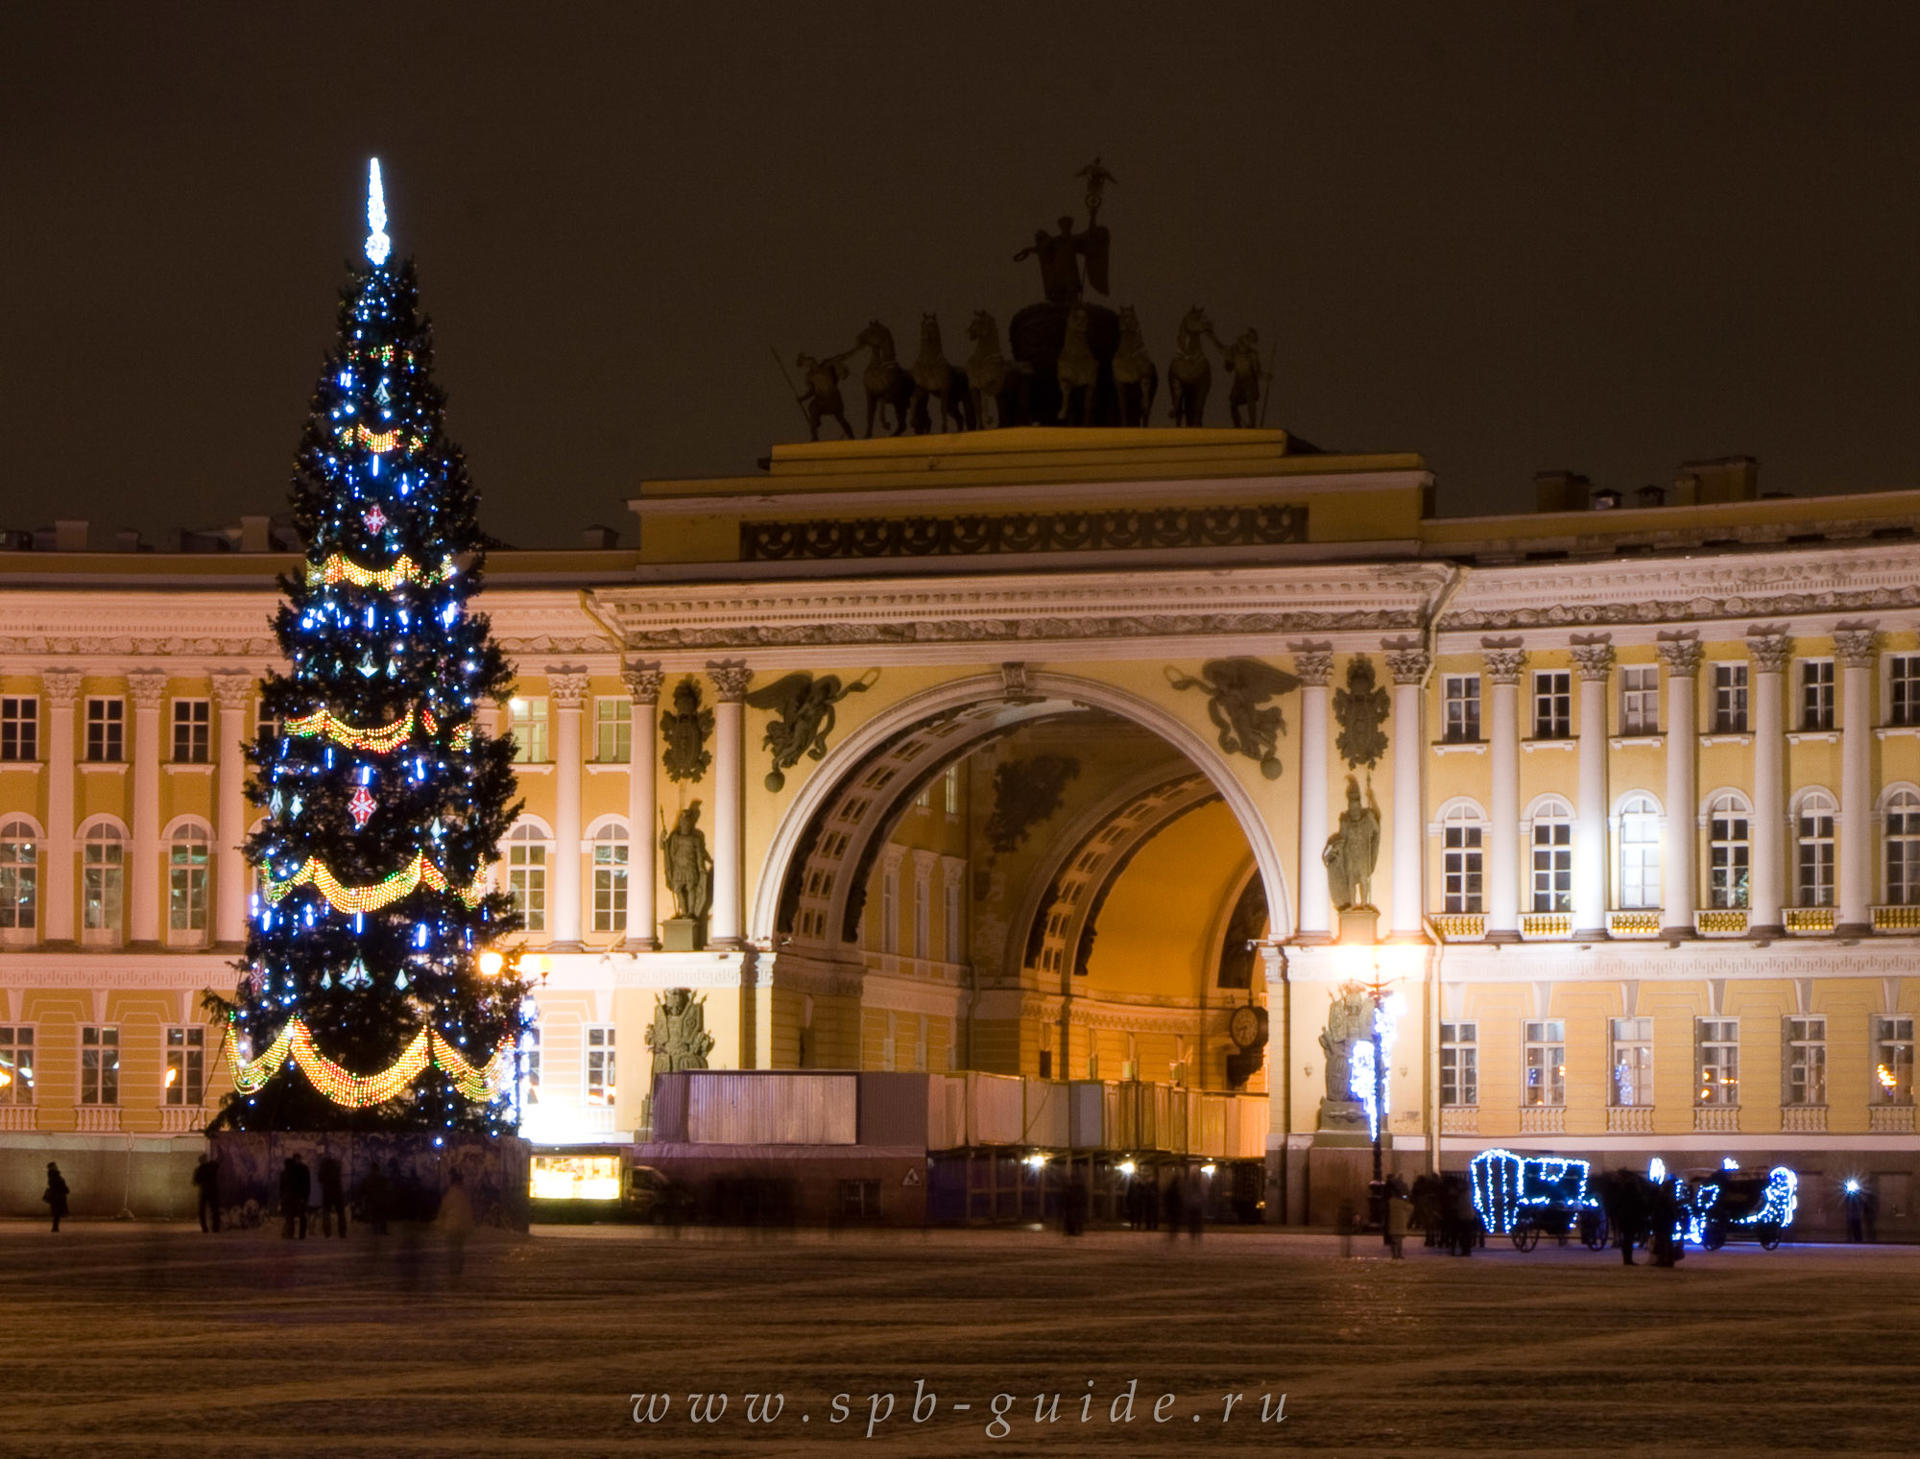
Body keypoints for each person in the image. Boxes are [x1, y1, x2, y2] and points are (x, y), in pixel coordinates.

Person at [439, 1168, 475, 1277]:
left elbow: (443, 1209)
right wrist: (470, 1226)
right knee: (459, 1248)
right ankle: (458, 1267)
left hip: (451, 1226)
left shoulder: (449, 1194)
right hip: (461, 1227)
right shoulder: (464, 1195)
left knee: (452, 1248)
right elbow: (468, 1212)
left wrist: (441, 1223)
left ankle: (453, 1268)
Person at [281, 1154, 311, 1240]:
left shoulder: (288, 1171)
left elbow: (283, 1185)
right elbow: (306, 1184)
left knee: (291, 1215)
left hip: (293, 1196)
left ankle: (291, 1233)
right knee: (298, 1215)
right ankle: (298, 1234)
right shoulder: (301, 1169)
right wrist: (305, 1196)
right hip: (296, 1196)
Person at [317, 1153, 347, 1238]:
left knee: (326, 1212)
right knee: (341, 1213)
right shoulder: (337, 1166)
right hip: (337, 1191)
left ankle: (327, 1232)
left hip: (327, 1192)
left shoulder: (323, 1168)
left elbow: (320, 1179)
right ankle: (342, 1232)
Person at [192, 1153, 221, 1233]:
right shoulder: (212, 1166)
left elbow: (195, 1182)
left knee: (202, 1211)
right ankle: (215, 1228)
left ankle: (204, 1228)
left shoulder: (199, 1169)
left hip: (204, 1191)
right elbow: (219, 1160)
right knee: (214, 1210)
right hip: (213, 1191)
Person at [360, 1161, 391, 1236]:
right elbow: (388, 1189)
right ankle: (383, 1231)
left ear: (371, 1169)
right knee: (382, 1216)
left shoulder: (367, 1179)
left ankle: (376, 1231)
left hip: (372, 1201)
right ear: (378, 1169)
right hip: (381, 1201)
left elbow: (363, 1191)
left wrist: (364, 1200)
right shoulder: (383, 1178)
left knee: (374, 1216)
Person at [1385, 1175, 1411, 1260]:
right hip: (1400, 1223)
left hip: (1392, 1223)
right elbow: (1409, 1208)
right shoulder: (1402, 1202)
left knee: (1393, 1239)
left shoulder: (1390, 1202)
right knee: (1399, 1240)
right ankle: (1399, 1253)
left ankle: (1394, 1254)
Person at [44, 1162, 70, 1233]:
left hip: (56, 1196)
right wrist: (65, 1188)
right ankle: (55, 1227)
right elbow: (58, 1185)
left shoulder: (53, 1175)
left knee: (57, 1213)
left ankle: (55, 1227)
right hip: (57, 1197)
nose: (56, 1167)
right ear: (52, 1167)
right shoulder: (54, 1175)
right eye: (54, 1166)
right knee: (57, 1213)